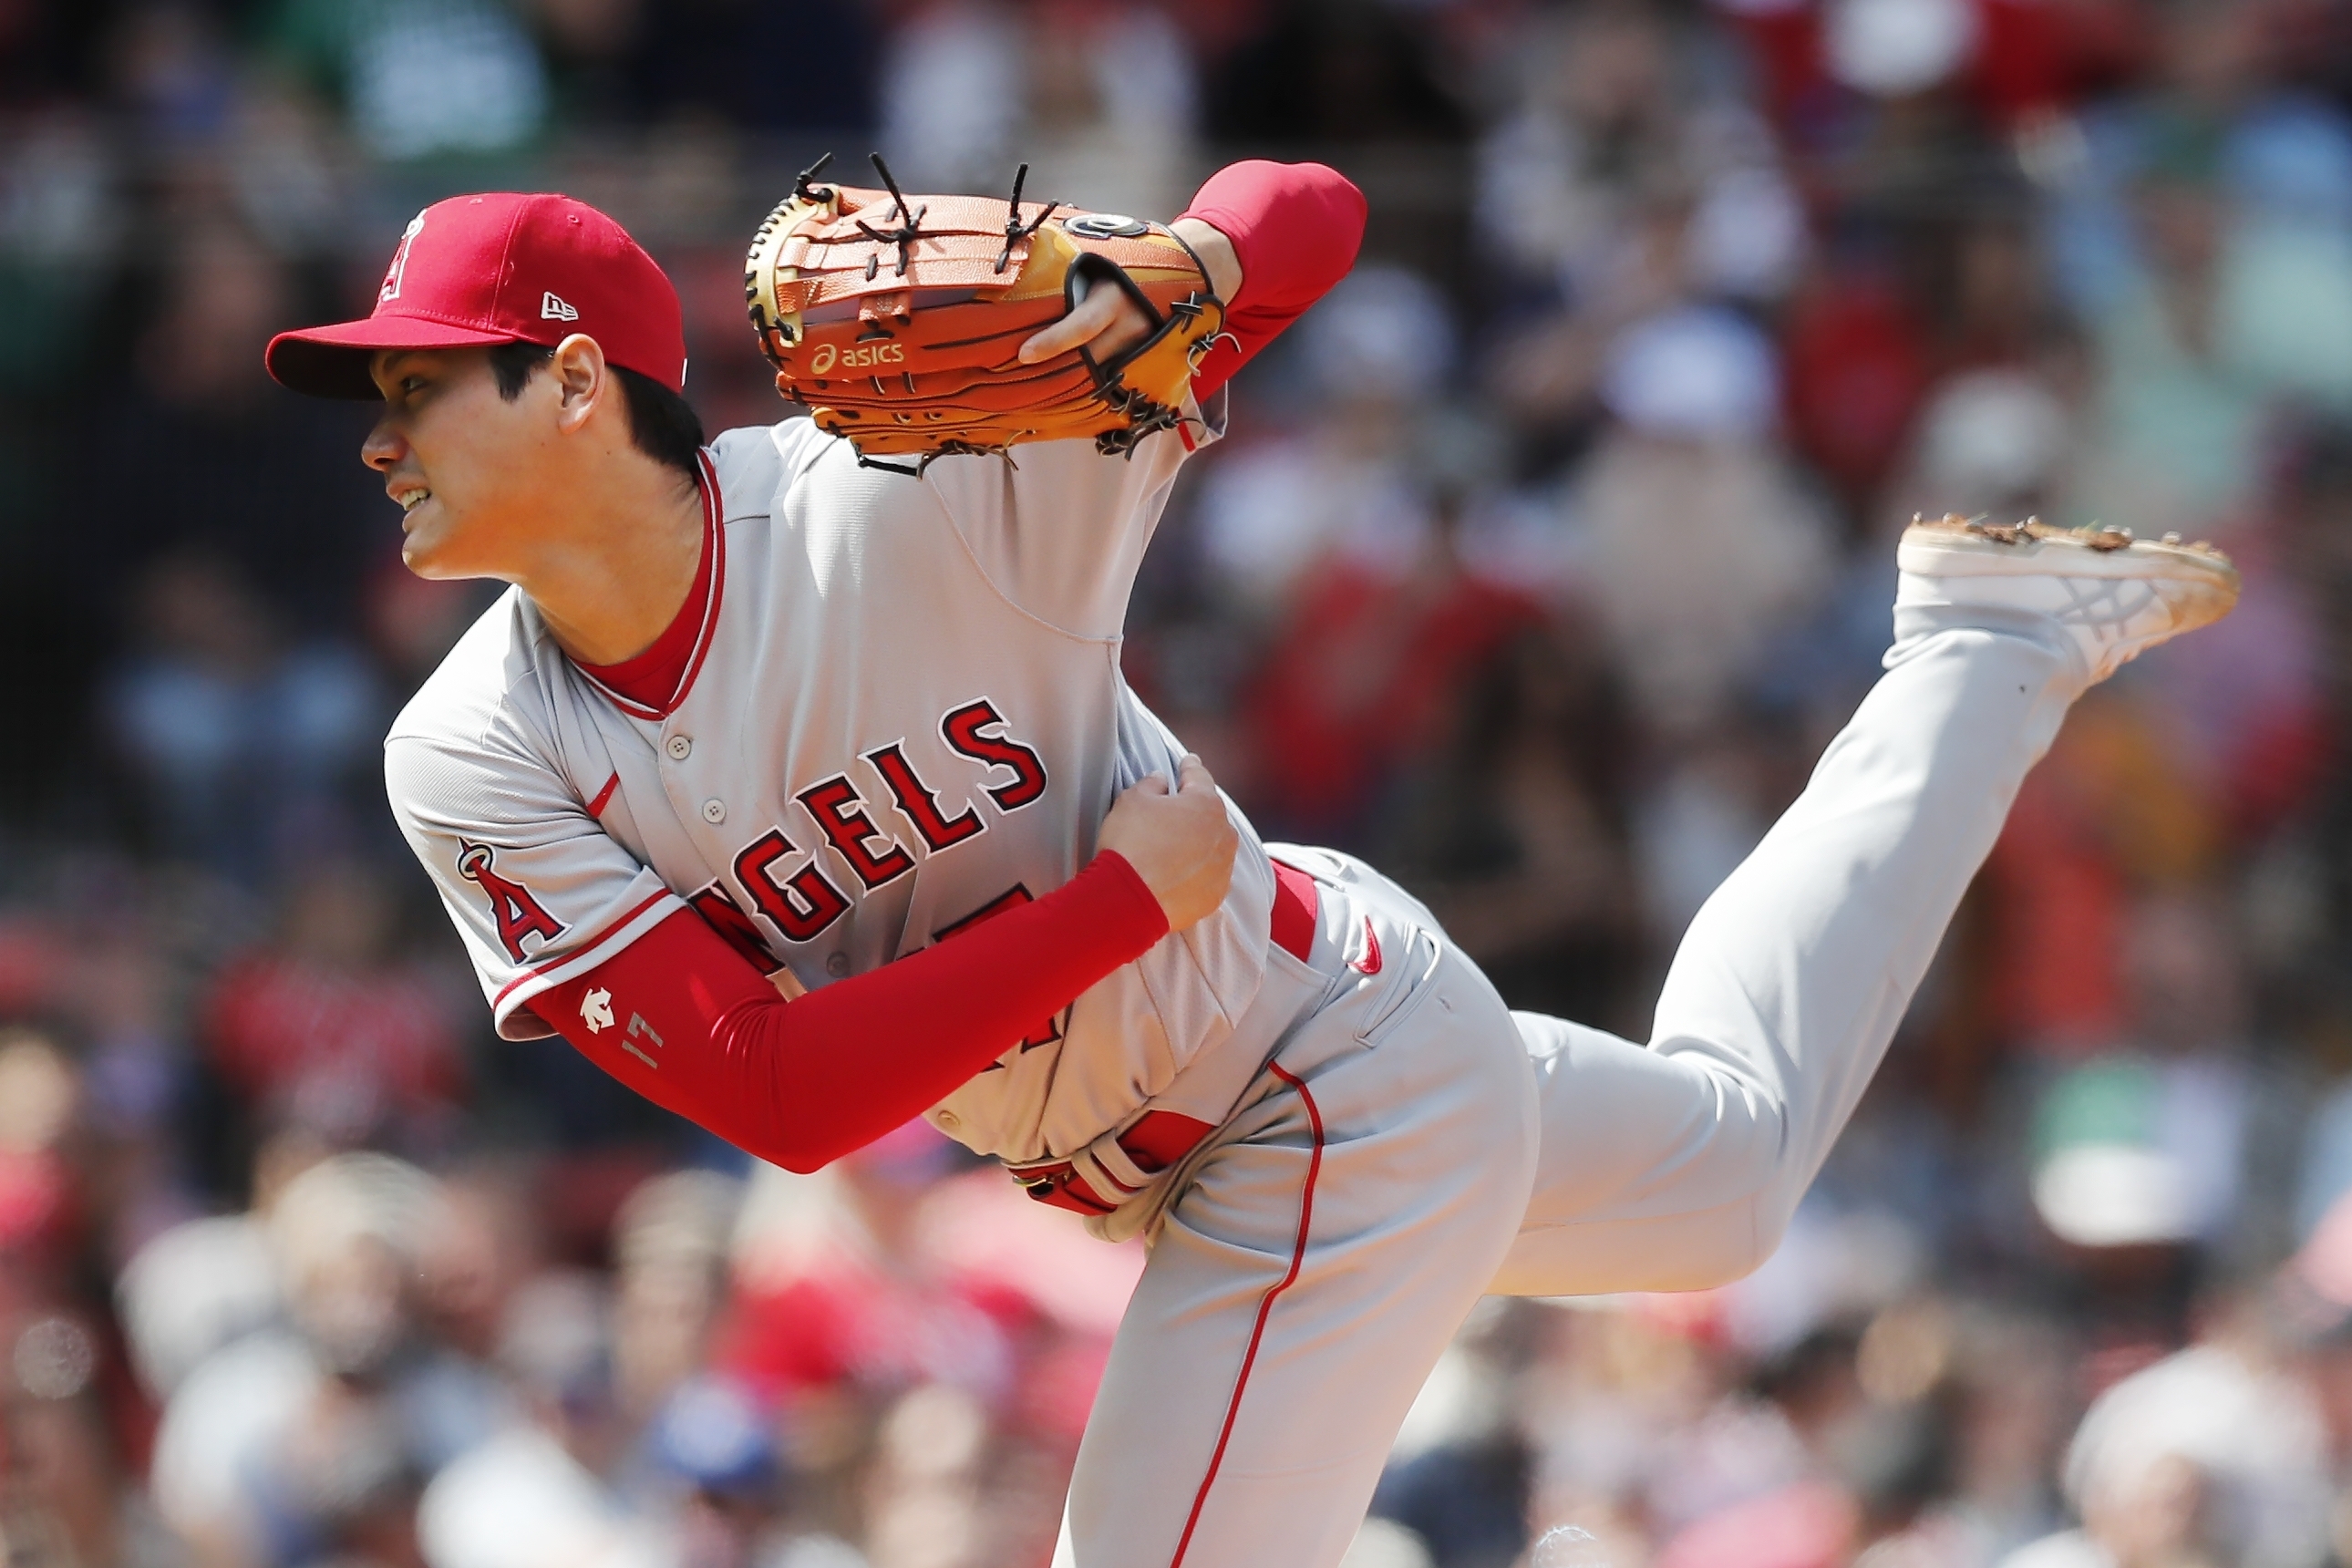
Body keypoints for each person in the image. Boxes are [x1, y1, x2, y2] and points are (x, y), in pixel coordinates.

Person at [263, 169, 2239, 1568]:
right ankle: (1985, 642)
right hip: (1232, 1056)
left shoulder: (911, 491)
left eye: (419, 379)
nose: (379, 430)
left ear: (578, 381)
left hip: (1314, 1078)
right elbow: (785, 1101)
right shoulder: (473, 750)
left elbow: (1312, 214)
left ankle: (1984, 645)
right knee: (1725, 1174)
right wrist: (1114, 902)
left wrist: (1173, 262)